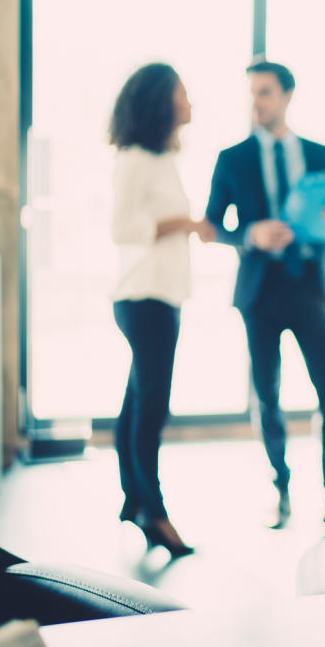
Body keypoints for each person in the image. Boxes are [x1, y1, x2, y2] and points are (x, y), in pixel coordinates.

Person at [204, 60, 325, 527]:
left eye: (265, 92)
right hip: (259, 291)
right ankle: (281, 487)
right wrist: (250, 233)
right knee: (266, 395)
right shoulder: (232, 158)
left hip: (308, 284)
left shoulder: (321, 153)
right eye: (252, 93)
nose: (257, 102)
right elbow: (212, 226)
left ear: (288, 95)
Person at [108, 63, 215, 558]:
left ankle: (134, 500)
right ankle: (155, 515)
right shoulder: (133, 159)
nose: (190, 102)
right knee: (152, 409)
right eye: (183, 93)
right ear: (161, 102)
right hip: (143, 297)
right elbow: (123, 229)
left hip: (160, 297)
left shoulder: (160, 159)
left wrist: (189, 225)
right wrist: (183, 223)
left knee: (136, 406)